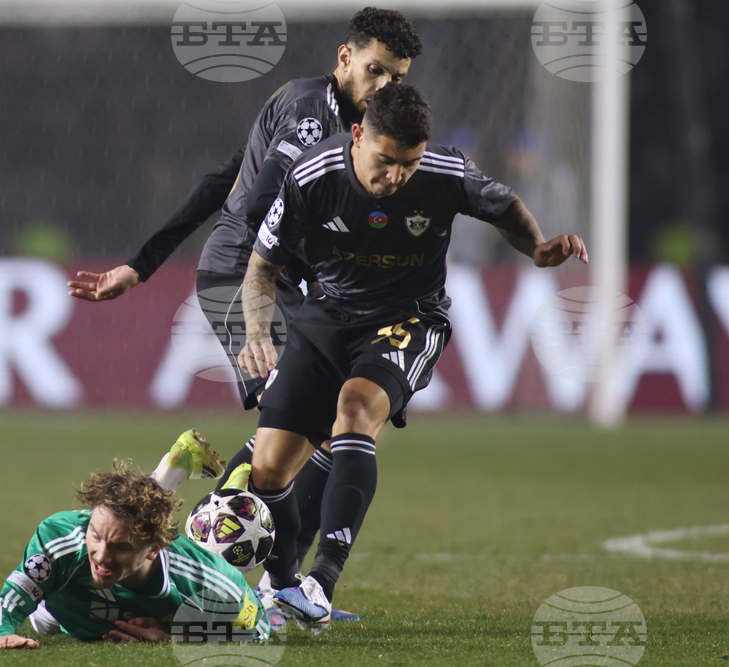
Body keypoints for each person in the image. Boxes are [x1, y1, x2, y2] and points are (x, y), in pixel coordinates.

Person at [68, 8, 424, 596]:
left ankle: (276, 584)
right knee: (298, 427)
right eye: (375, 70)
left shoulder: (333, 118)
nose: (384, 87)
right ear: (345, 58)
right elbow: (260, 207)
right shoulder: (313, 119)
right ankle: (158, 569)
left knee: (336, 427)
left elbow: (222, 179)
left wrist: (141, 263)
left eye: (397, 78)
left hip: (271, 275)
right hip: (245, 275)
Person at [237, 82, 589, 631]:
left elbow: (504, 206)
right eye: (385, 161)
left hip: (409, 316)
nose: (396, 176)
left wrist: (539, 247)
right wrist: (258, 332)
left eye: (408, 163)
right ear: (357, 135)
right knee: (268, 468)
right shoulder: (311, 174)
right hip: (326, 315)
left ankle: (322, 581)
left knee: (354, 411)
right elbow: (262, 265)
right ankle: (284, 588)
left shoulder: (446, 172)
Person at [0, 453, 270, 648]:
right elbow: (3, 606)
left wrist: (177, 635)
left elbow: (259, 627)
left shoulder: (208, 579)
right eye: (96, 535)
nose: (101, 555)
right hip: (60, 606)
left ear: (153, 549)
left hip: (99, 606)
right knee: (42, 619)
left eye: (120, 547)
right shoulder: (59, 540)